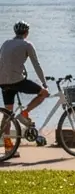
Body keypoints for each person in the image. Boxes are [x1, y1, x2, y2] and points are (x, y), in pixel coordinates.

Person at [1, 21, 49, 154]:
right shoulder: (27, 44)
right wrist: (44, 82)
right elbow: (36, 65)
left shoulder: (5, 43)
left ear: (15, 32)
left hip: (3, 82)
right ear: (26, 33)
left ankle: (8, 147)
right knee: (43, 93)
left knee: (7, 114)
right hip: (17, 81)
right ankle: (24, 113)